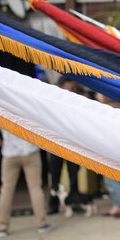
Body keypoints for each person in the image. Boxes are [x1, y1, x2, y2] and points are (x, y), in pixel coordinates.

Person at [0, 124, 52, 237]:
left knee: (6, 190)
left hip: (9, 155)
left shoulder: (2, 111)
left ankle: (2, 227)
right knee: (35, 188)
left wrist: (2, 144)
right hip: (30, 152)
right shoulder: (27, 111)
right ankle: (42, 223)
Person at [94, 93, 120, 217]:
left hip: (112, 146)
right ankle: (117, 204)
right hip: (112, 145)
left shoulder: (113, 109)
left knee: (110, 176)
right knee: (110, 177)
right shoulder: (114, 107)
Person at [47, 77, 82, 215]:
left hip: (71, 142)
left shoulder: (73, 98)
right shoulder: (52, 98)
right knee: (55, 175)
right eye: (70, 85)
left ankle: (75, 201)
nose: (72, 88)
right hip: (56, 142)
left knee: (74, 173)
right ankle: (53, 204)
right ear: (63, 85)